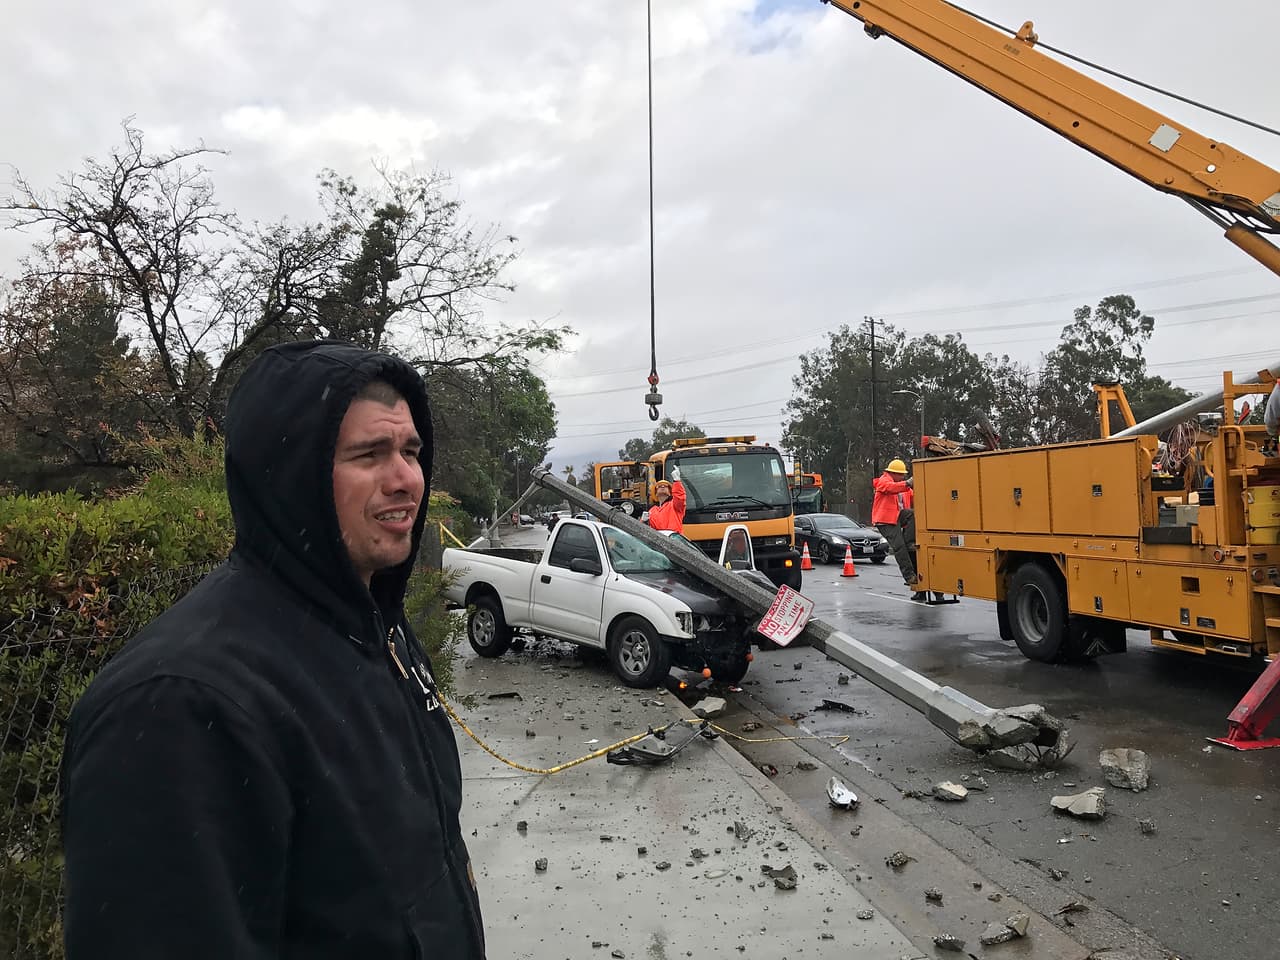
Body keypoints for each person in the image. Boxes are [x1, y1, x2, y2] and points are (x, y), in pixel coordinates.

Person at [61, 341, 485, 959]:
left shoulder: (375, 630)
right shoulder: (179, 704)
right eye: (369, 454)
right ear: (291, 478)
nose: (405, 480)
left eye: (411, 452)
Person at [872, 457, 924, 601]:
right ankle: (909, 576)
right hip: (885, 521)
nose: (903, 477)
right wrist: (908, 483)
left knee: (912, 515)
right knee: (899, 547)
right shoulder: (884, 481)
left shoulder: (904, 488)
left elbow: (916, 497)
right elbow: (890, 488)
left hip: (897, 518)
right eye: (901, 475)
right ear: (893, 473)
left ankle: (910, 542)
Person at [647, 465, 687, 533]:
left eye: (666, 486)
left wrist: (677, 481)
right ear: (656, 493)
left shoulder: (674, 505)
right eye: (659, 486)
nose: (662, 486)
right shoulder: (652, 511)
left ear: (670, 492)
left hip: (673, 539)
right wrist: (643, 522)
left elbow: (680, 497)